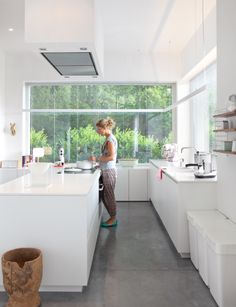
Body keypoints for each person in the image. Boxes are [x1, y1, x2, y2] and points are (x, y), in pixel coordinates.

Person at [91, 117, 118, 227]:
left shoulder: (110, 140)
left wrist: (96, 159)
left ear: (105, 128)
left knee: (109, 195)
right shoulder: (108, 138)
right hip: (106, 170)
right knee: (105, 195)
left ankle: (113, 219)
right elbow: (107, 156)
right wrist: (99, 164)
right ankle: (112, 217)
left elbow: (111, 157)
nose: (98, 131)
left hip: (109, 171)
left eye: (99, 129)